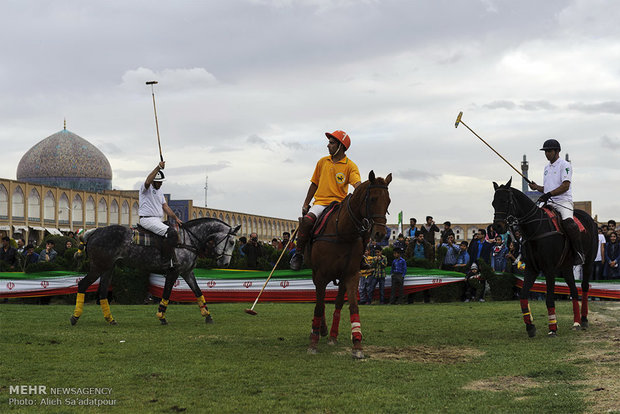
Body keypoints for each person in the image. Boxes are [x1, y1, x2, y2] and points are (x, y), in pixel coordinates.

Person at [290, 130, 361, 270]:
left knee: (360, 225)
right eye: (329, 142)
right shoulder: (322, 162)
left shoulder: (350, 166)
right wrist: (306, 203)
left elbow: (357, 184)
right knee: (306, 221)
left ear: (340, 146)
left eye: (331, 143)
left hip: (339, 205)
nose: (328, 145)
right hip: (321, 203)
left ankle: (361, 256)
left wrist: (363, 188)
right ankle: (298, 255)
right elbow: (314, 183)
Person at [528, 139, 584, 265]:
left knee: (569, 223)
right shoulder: (546, 168)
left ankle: (578, 252)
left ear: (557, 151)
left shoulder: (565, 165)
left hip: (563, 201)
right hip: (549, 202)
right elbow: (548, 189)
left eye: (549, 151)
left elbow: (565, 186)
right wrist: (537, 187)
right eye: (545, 151)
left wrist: (548, 194)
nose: (547, 154)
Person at [138, 161, 183, 269]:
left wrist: (176, 218)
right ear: (154, 181)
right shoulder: (146, 188)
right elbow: (148, 180)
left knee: (174, 231)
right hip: (147, 220)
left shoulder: (160, 191)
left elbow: (165, 207)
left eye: (161, 182)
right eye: (159, 182)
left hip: (157, 220)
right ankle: (165, 261)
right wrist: (158, 167)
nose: (161, 184)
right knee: (171, 233)